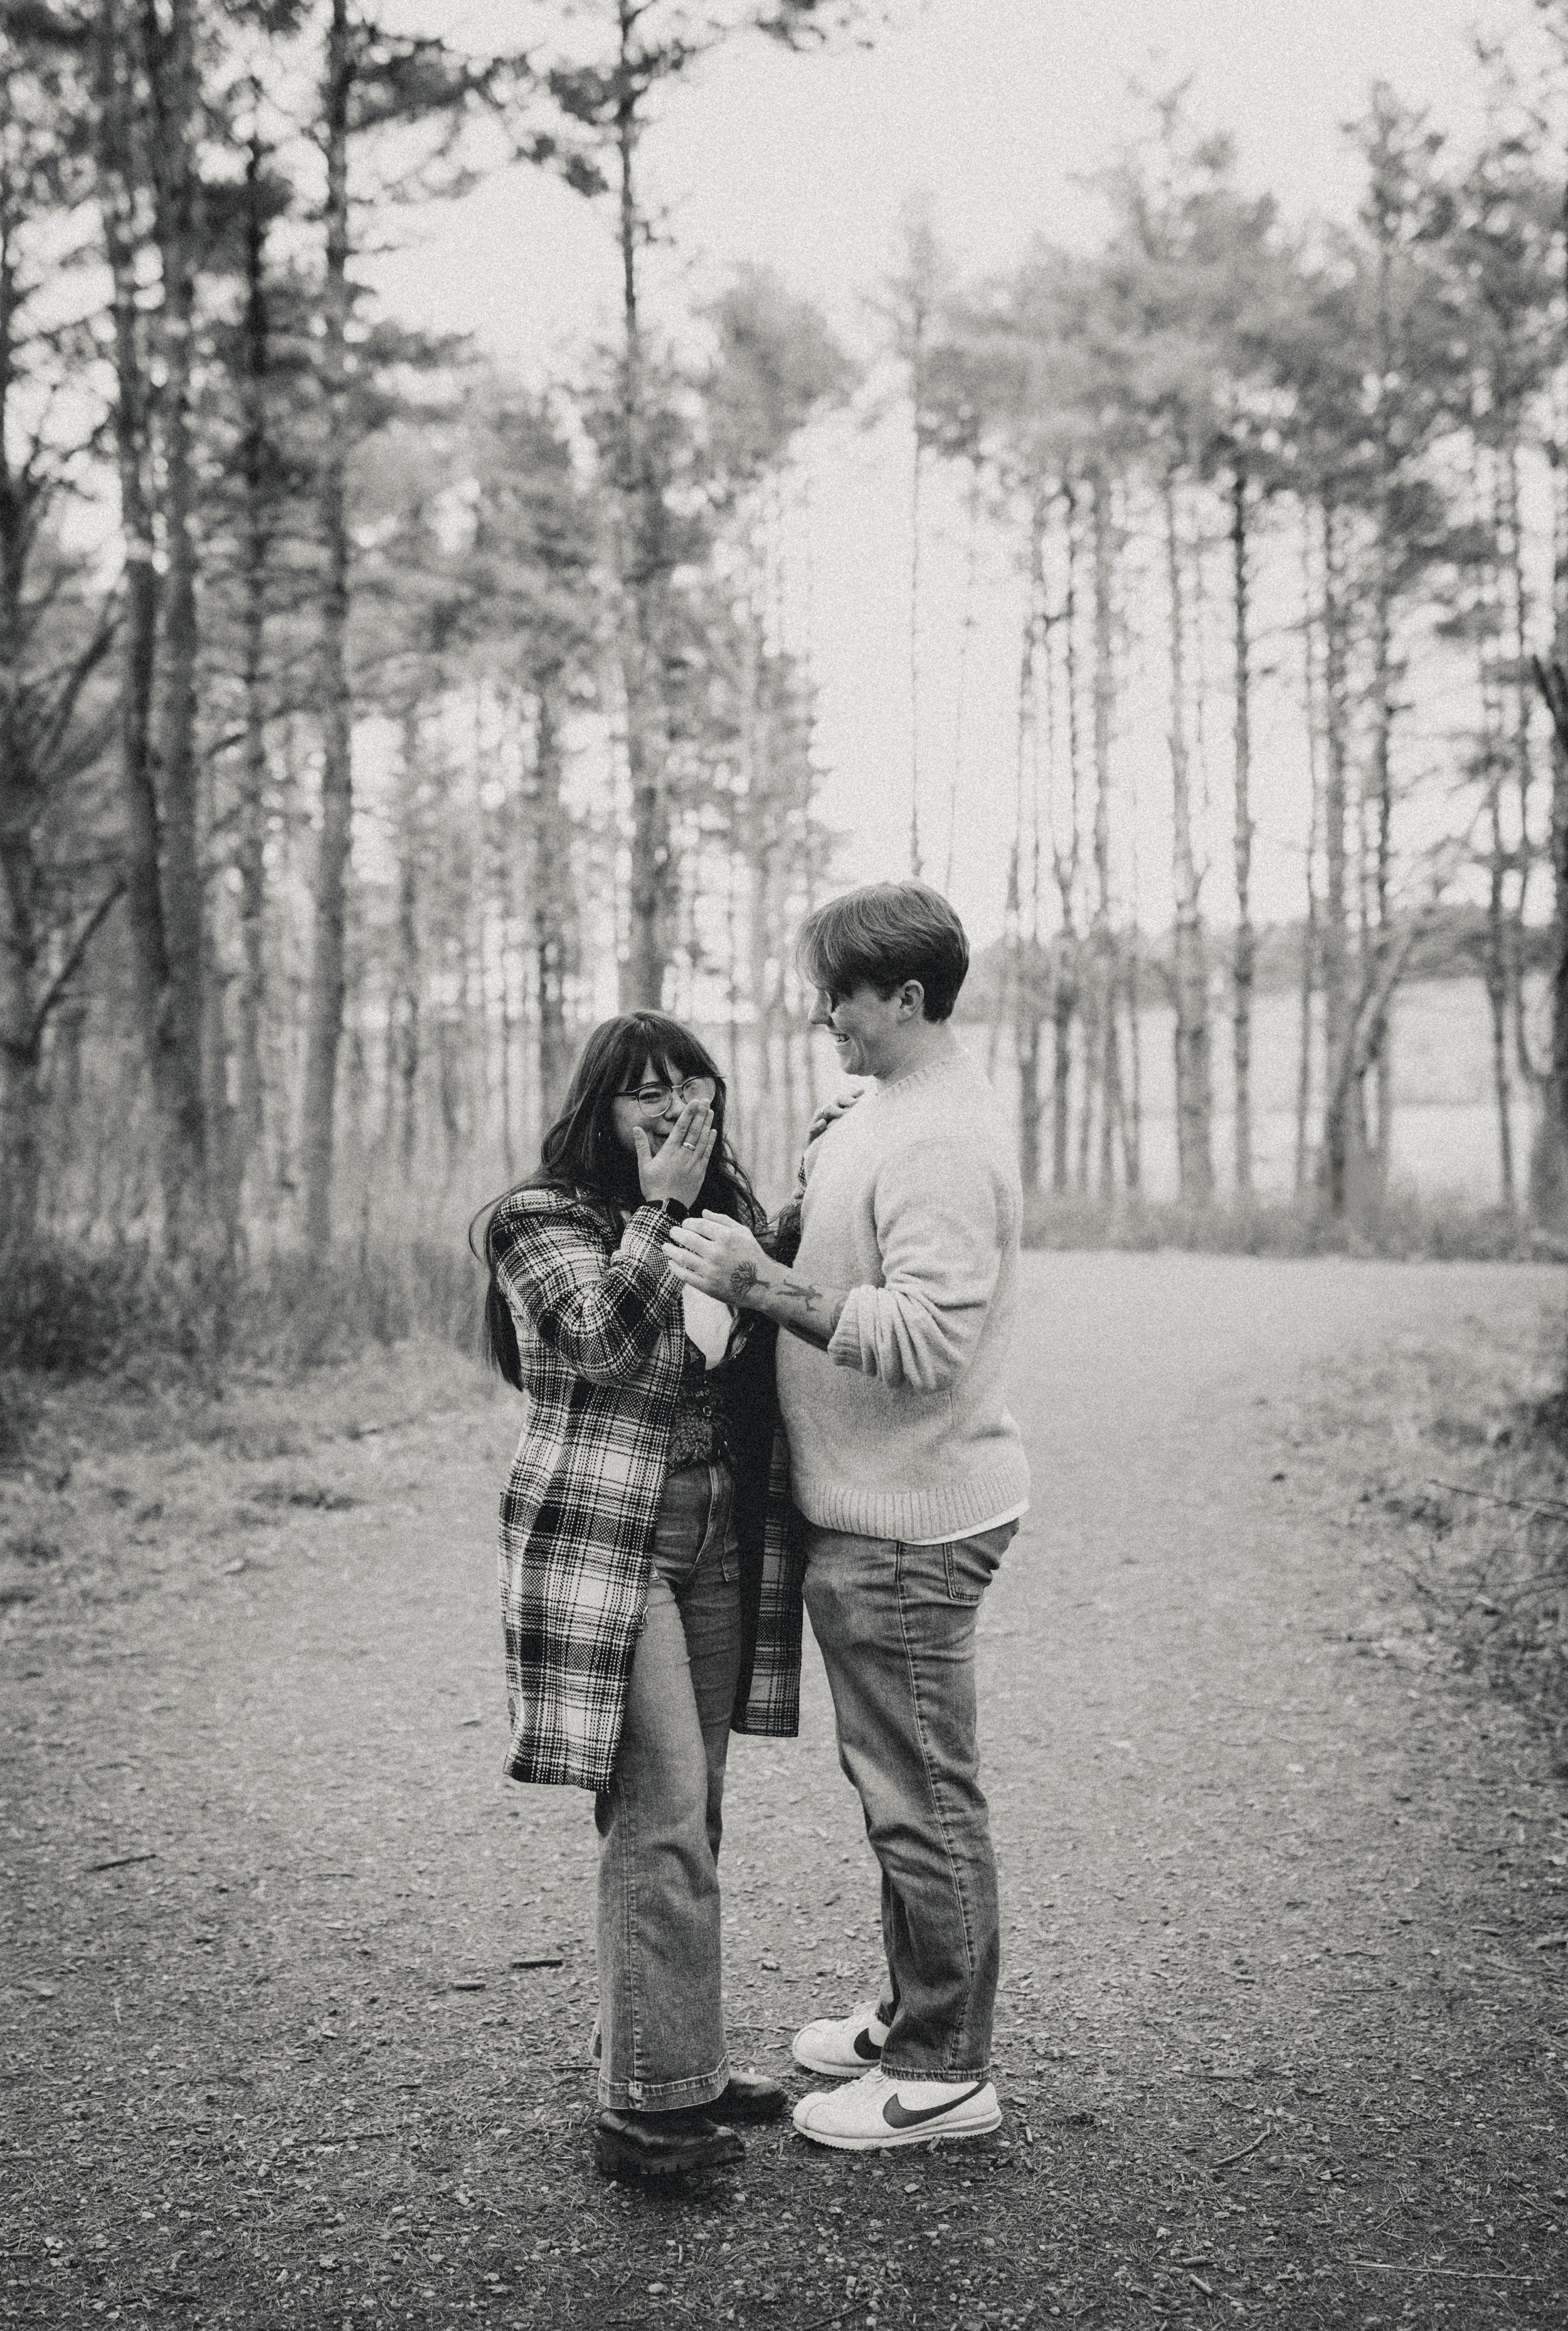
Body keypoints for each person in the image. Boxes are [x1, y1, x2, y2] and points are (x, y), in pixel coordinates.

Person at [664, 881, 1029, 2153]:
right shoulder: (889, 1110)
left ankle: (944, 2069)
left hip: (909, 1521)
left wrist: (760, 1282)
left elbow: (927, 1338)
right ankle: (914, 2011)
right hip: (874, 1509)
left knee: (919, 1794)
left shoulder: (938, 1137)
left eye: (842, 996)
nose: (825, 1015)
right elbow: (858, 1251)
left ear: (907, 997)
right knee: (892, 1780)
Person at [477, 1012, 805, 2180]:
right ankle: (645, 2109)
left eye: (689, 1084)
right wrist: (657, 1212)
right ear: (600, 1109)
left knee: (689, 1808)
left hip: (717, 1528)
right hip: (614, 1540)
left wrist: (812, 1181)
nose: (673, 1107)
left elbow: (766, 1332)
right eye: (644, 1091)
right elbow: (599, 1346)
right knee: (660, 1808)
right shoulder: (538, 1220)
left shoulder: (723, 1216)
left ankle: (672, 2056)